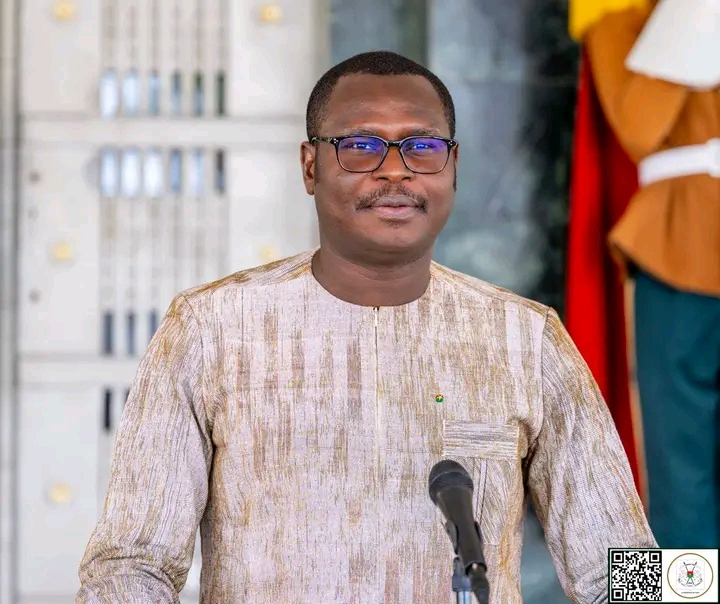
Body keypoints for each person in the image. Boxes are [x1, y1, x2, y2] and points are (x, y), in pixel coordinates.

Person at [76, 50, 654, 604]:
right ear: (311, 166)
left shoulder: (526, 339)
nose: (396, 169)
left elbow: (623, 566)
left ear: (453, 166)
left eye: (422, 146)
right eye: (361, 146)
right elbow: (129, 564)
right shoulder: (211, 330)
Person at [577, 0, 720, 548]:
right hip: (676, 244)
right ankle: (662, 589)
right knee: (671, 465)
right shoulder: (616, 12)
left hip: (678, 243)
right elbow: (637, 127)